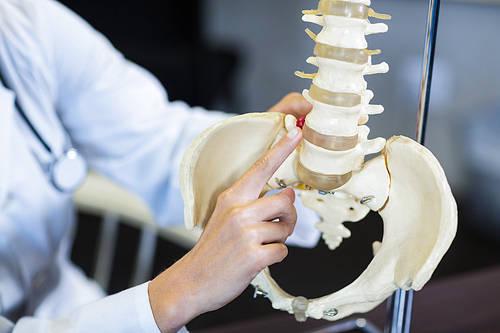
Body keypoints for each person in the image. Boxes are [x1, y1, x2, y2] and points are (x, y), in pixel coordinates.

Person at [0, 0, 317, 332]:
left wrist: (262, 148)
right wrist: (180, 291)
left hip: (68, 302)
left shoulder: (24, 21)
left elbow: (153, 137)